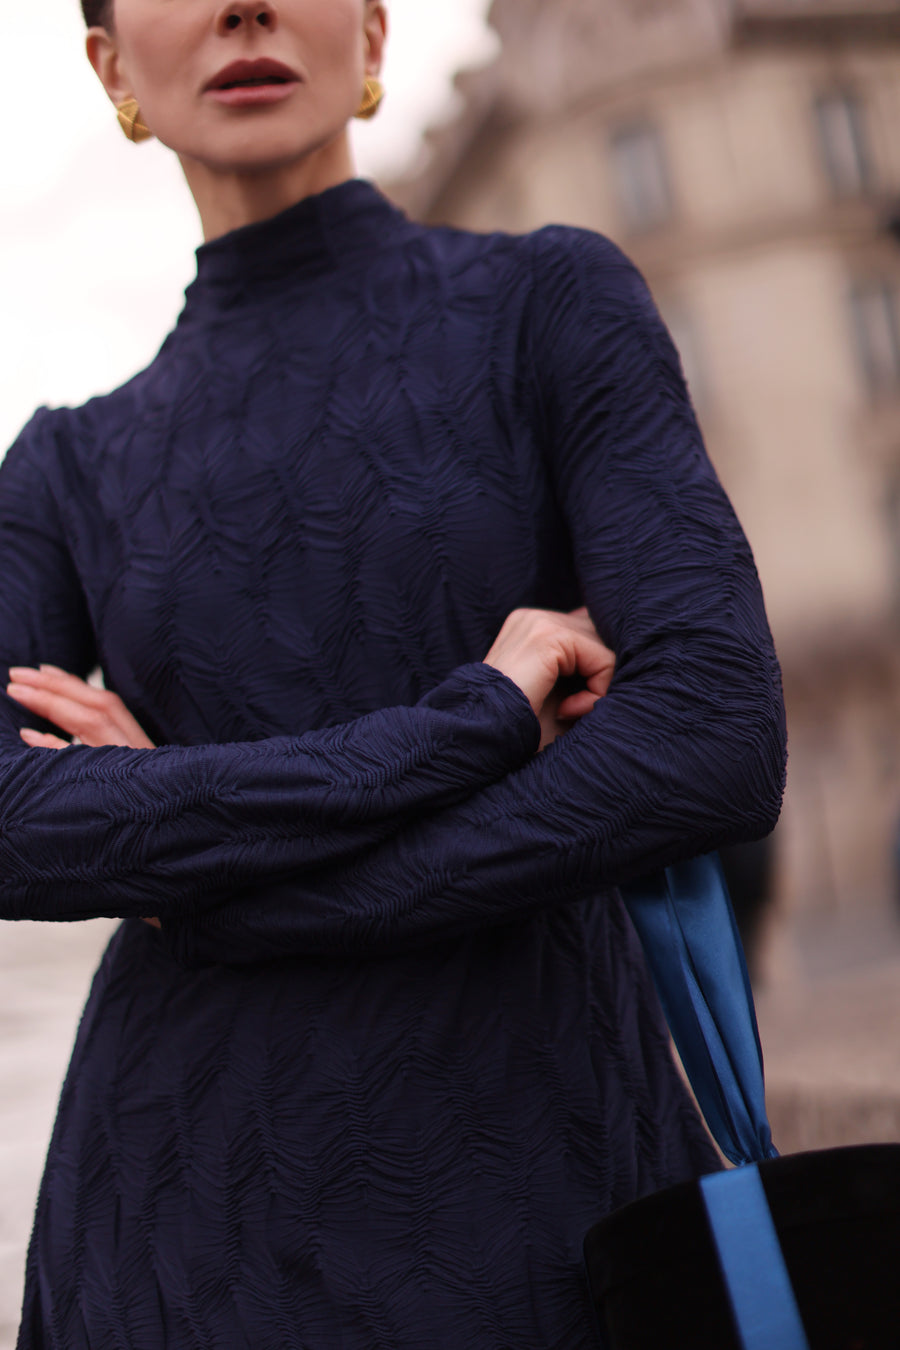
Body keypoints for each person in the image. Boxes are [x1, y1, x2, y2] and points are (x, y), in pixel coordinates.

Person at [0, 0, 786, 1345]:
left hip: (543, 1190)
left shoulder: (551, 300)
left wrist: (218, 891)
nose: (245, 3)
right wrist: (475, 721)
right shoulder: (64, 467)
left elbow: (714, 733)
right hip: (173, 1240)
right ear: (111, 64)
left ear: (370, 36)